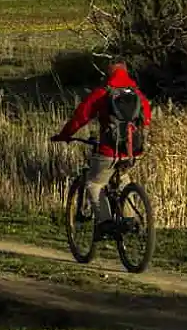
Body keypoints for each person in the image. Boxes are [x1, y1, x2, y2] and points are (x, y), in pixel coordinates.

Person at [50, 62, 151, 237]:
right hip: (131, 151)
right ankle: (129, 219)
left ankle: (105, 222)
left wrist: (65, 134)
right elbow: (147, 120)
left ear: (108, 75)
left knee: (94, 182)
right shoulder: (137, 95)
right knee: (123, 179)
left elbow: (80, 117)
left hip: (108, 151)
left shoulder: (103, 93)